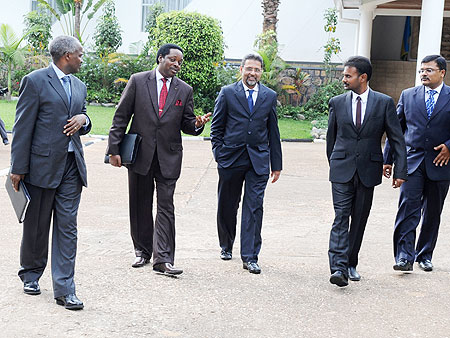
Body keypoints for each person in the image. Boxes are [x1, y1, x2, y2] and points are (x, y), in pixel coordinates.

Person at [106, 43, 210, 276]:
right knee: (140, 204)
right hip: (140, 154)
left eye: (180, 62)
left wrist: (197, 124)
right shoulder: (138, 81)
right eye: (173, 60)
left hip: (168, 157)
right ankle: (142, 250)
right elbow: (121, 116)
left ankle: (163, 259)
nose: (177, 65)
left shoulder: (185, 90)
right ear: (160, 58)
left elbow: (187, 123)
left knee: (166, 206)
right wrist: (114, 150)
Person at [10, 35, 90, 310]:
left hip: (71, 167)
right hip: (40, 166)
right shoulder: (35, 81)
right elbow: (22, 127)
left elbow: (83, 114)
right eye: (80, 54)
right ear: (66, 55)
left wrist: (84, 119)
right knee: (37, 225)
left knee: (68, 228)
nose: (83, 58)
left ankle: (65, 290)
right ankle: (30, 274)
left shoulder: (80, 85)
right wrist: (17, 168)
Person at [326, 56, 407, 287]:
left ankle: (351, 263)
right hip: (342, 169)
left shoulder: (384, 103)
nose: (344, 79)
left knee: (359, 218)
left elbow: (396, 138)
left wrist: (401, 169)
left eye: (348, 75)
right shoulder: (337, 102)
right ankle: (339, 268)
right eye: (344, 75)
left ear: (363, 77)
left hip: (368, 170)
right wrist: (335, 163)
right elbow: (331, 140)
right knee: (341, 217)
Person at [210, 53, 282, 274]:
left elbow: (273, 131)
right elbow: (216, 127)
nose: (252, 73)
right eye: (249, 69)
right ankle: (226, 243)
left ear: (261, 72)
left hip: (258, 161)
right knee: (228, 204)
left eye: (257, 70)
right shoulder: (228, 93)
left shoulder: (269, 96)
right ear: (241, 69)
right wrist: (220, 155)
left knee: (254, 207)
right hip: (231, 159)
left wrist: (276, 164)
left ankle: (250, 256)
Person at [384, 55, 450, 273]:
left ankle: (425, 255)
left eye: (429, 70)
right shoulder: (408, 95)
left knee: (432, 212)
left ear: (442, 73)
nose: (423, 73)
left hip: (441, 164)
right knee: (408, 209)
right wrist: (388, 160)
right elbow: (396, 131)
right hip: (412, 163)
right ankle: (404, 256)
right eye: (422, 70)